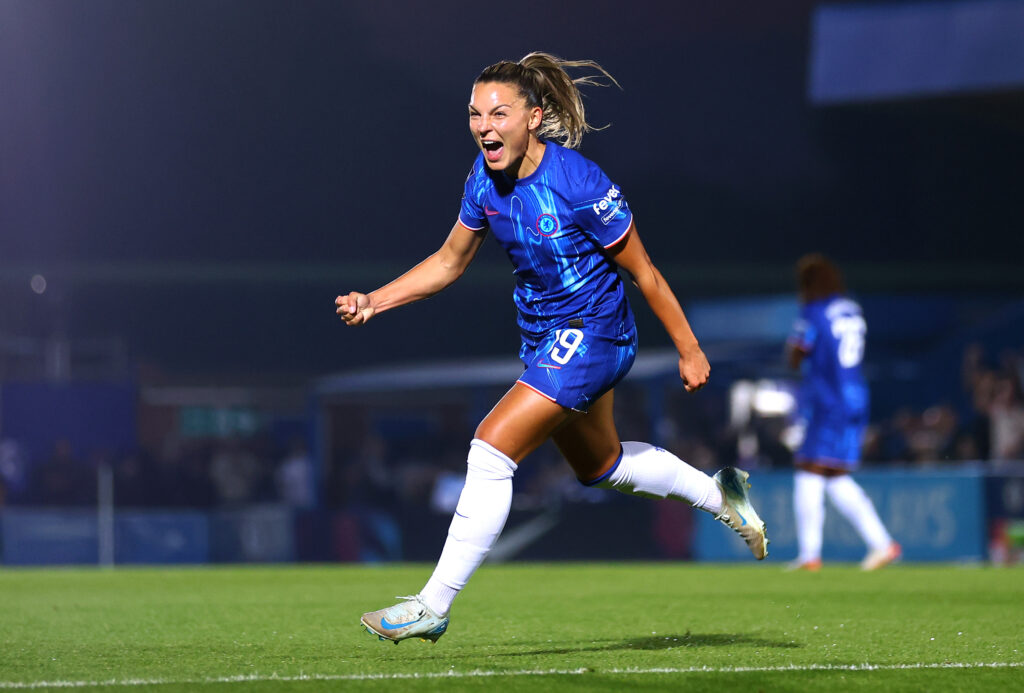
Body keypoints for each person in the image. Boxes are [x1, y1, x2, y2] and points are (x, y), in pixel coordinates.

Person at [336, 52, 768, 645]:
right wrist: (374, 301)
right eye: (474, 114)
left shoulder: (580, 181)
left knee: (490, 450)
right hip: (546, 342)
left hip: (596, 334)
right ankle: (724, 495)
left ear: (533, 118)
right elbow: (447, 262)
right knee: (604, 468)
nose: (484, 126)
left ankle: (431, 605)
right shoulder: (483, 178)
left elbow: (645, 272)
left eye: (498, 113)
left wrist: (689, 349)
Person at [785, 253, 901, 571]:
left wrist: (795, 357)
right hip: (856, 396)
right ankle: (882, 543)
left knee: (809, 468)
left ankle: (810, 556)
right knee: (835, 474)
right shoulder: (852, 309)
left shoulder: (814, 310)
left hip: (828, 399)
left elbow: (797, 354)